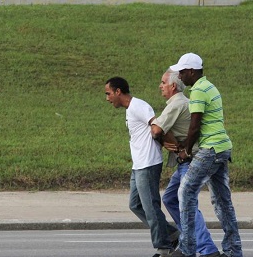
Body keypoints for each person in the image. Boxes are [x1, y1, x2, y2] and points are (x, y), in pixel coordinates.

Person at [169, 53, 243, 257]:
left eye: (182, 72)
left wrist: (185, 150)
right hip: (222, 148)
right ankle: (233, 250)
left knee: (185, 192)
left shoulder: (199, 90)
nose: (180, 77)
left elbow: (195, 125)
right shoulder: (210, 86)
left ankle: (187, 249)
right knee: (222, 201)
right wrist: (187, 144)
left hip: (210, 149)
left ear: (192, 72)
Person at [150, 68, 223, 257]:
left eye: (163, 82)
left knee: (185, 202)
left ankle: (207, 250)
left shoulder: (177, 103)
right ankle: (190, 240)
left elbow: (156, 130)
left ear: (173, 86)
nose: (160, 86)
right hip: (188, 159)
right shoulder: (182, 102)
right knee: (171, 198)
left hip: (189, 160)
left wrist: (162, 137)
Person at [104, 77, 179, 257]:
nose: (107, 98)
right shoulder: (131, 109)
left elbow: (157, 125)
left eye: (108, 94)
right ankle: (171, 233)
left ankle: (164, 248)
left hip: (148, 163)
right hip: (138, 165)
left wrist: (168, 143)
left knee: (151, 207)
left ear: (118, 92)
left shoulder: (138, 106)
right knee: (135, 204)